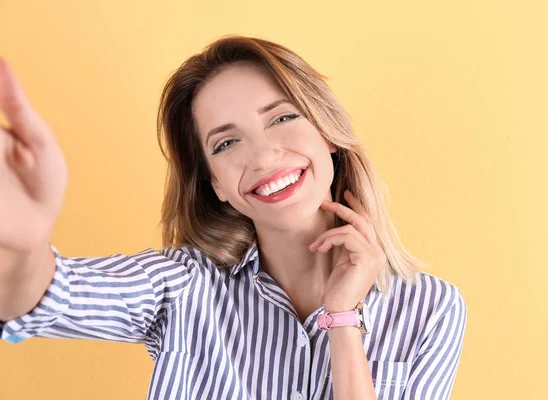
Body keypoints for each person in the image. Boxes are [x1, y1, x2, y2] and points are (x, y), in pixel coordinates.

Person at [0, 35, 467, 399]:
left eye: (282, 118)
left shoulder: (432, 309)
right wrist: (26, 245)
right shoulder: (182, 287)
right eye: (226, 143)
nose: (263, 156)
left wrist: (342, 319)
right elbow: (48, 295)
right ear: (215, 184)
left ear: (327, 132)